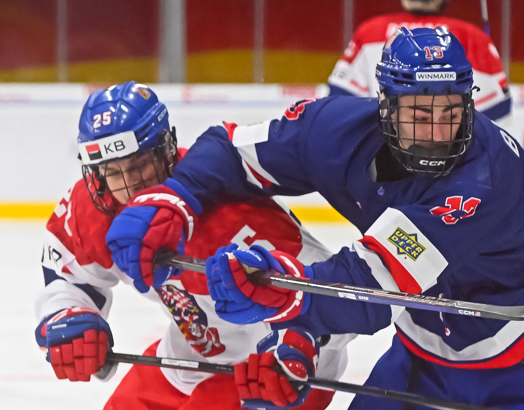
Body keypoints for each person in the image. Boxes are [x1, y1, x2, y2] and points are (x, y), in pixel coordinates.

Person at [105, 27, 524, 410]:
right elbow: (232, 148)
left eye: (450, 112)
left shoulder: (484, 180)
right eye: (419, 113)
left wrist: (284, 293)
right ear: (385, 106)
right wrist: (175, 197)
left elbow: (371, 289)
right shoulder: (338, 130)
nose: (437, 132)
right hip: (430, 349)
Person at [33, 81, 348, 410]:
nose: (129, 187)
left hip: (271, 371)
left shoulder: (233, 215)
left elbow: (337, 300)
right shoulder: (94, 210)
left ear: (165, 150)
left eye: (140, 164)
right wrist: (67, 315)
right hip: (188, 357)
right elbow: (69, 274)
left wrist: (297, 348)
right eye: (113, 172)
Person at [327, 0, 512, 127]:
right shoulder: (473, 37)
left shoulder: (369, 31)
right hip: (453, 163)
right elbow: (497, 113)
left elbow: (340, 100)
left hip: (383, 161)